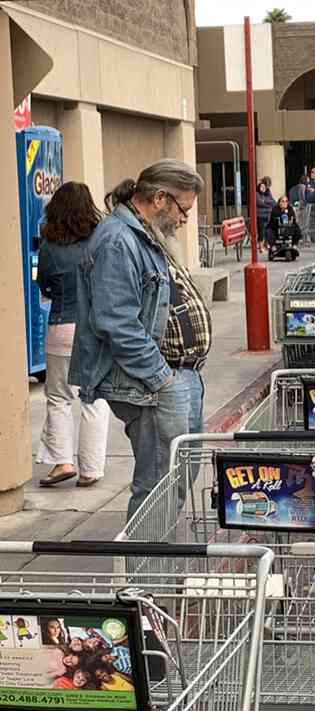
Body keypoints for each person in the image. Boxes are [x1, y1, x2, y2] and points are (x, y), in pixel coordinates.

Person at [70, 159, 209, 521]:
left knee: (176, 477)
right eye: (184, 209)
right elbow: (116, 322)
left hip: (176, 377)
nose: (185, 219)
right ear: (160, 198)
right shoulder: (119, 240)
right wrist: (162, 378)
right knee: (159, 484)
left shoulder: (145, 234)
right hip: (154, 383)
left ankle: (156, 570)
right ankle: (146, 577)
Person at [36, 183, 110, 488]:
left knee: (58, 397)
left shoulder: (49, 247)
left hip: (61, 327)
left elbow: (45, 286)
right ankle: (91, 469)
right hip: (93, 328)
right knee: (93, 398)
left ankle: (63, 462)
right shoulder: (100, 241)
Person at [255, 180, 275, 254]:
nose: (263, 188)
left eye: (265, 187)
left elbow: (274, 202)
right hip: (260, 215)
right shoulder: (256, 194)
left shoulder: (268, 194)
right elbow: (259, 203)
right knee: (261, 231)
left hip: (268, 215)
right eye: (261, 187)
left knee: (268, 230)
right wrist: (268, 204)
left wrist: (265, 201)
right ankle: (260, 246)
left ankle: (267, 245)